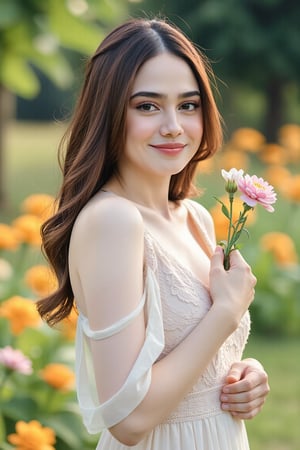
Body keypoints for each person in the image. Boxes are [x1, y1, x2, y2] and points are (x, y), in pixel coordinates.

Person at [37, 18, 270, 450]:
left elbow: (198, 363)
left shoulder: (195, 218)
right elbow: (127, 418)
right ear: (109, 112)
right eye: (147, 106)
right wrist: (226, 314)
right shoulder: (112, 222)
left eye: (188, 105)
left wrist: (243, 376)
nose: (173, 126)